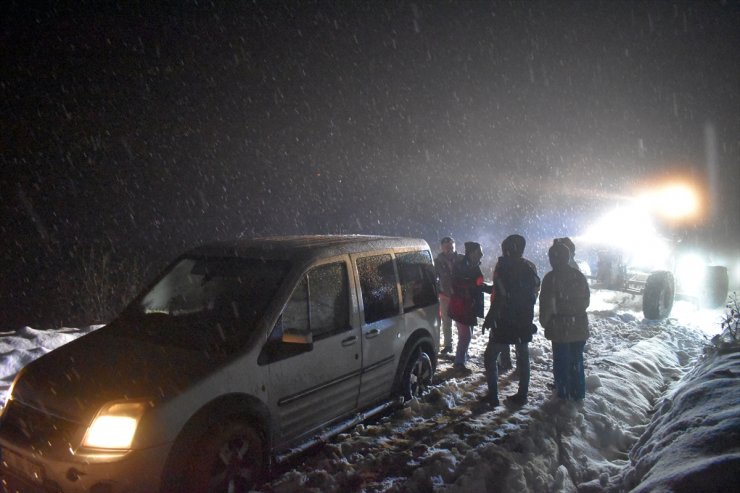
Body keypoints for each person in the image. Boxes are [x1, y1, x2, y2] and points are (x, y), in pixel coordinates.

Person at [482, 234, 540, 407]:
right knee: (523, 357)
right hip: (523, 320)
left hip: (505, 320)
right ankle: (522, 394)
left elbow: (500, 296)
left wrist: (490, 317)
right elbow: (534, 293)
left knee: (490, 357)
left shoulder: (504, 267)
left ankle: (493, 396)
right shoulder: (530, 267)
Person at [539, 241, 591, 400]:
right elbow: (587, 300)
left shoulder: (551, 278)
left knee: (561, 362)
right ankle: (578, 393)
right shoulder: (578, 275)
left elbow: (547, 305)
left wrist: (545, 322)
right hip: (579, 325)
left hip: (560, 328)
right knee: (576, 362)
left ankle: (563, 395)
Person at [448, 241, 492, 374]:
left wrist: (484, 287)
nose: (482, 254)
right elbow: (457, 283)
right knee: (465, 335)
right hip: (461, 306)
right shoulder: (461, 266)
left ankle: (463, 357)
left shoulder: (473, 265)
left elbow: (474, 284)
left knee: (467, 334)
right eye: (479, 252)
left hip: (469, 306)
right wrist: (475, 285)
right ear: (471, 253)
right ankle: (459, 363)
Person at [435, 237, 461, 355]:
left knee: (461, 321)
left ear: (454, 246)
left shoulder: (461, 259)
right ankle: (448, 345)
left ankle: (462, 345)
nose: (448, 249)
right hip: (445, 295)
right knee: (446, 321)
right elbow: (434, 276)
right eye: (446, 247)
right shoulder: (438, 261)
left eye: (450, 246)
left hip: (460, 295)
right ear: (442, 247)